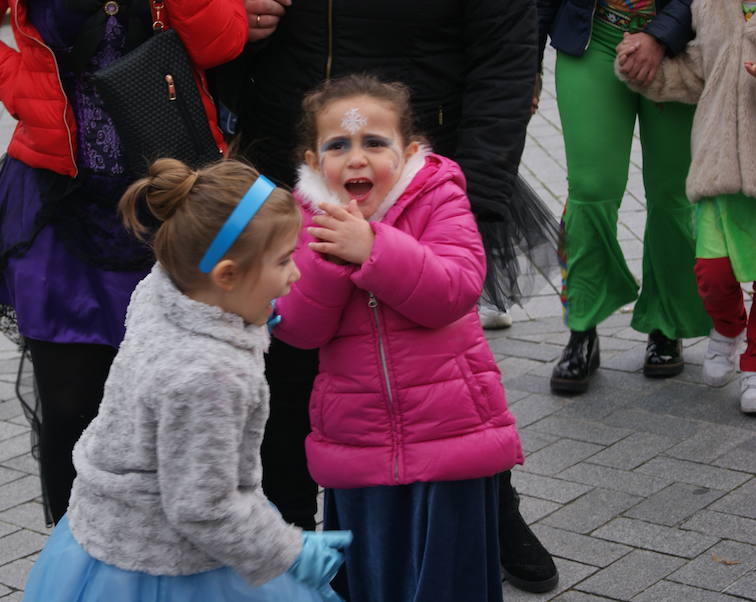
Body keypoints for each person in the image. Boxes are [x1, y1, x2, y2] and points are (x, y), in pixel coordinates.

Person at [218, 0, 561, 592]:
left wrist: (475, 199)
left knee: (434, 360)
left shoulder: (436, 190)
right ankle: (296, 544)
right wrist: (226, 18)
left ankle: (488, 501)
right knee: (288, 367)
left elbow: (504, 52)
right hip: (289, 156)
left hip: (411, 167)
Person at [0, 0, 247, 525]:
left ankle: (177, 552)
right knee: (69, 406)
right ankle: (76, 553)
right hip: (59, 201)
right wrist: (17, 82)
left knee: (183, 400)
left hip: (174, 199)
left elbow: (221, 43)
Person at [21, 158, 352, 601]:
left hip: (108, 531)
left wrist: (246, 317)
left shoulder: (167, 288)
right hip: (172, 566)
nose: (295, 273)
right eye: (283, 260)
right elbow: (204, 508)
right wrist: (289, 554)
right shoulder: (210, 377)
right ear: (227, 275)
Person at [270, 74, 524, 602]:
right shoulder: (306, 218)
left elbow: (453, 290)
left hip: (450, 435)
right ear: (313, 161)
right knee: (375, 578)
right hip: (358, 443)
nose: (356, 159)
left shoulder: (438, 195)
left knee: (448, 582)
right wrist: (331, 262)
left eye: (374, 142)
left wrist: (373, 249)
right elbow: (298, 327)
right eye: (337, 146)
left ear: (408, 151)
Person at [538, 0, 712, 394]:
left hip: (679, 49)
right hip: (592, 40)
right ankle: (582, 325)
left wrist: (659, 35)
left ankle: (667, 323)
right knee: (590, 189)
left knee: (671, 196)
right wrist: (526, 63)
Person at [614, 0, 756, 413]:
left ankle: (753, 365)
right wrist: (642, 72)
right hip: (718, 170)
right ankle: (727, 327)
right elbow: (693, 71)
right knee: (711, 272)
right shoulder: (710, 5)